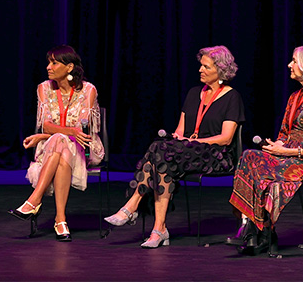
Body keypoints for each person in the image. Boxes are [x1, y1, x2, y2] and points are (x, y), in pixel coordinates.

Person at [104, 45, 245, 248]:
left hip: (216, 155)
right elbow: (180, 131)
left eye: (206, 66)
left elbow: (226, 138)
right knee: (161, 153)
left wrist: (195, 142)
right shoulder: (194, 93)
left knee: (160, 154)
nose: (200, 70)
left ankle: (133, 206)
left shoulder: (232, 97)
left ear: (220, 70)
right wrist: (178, 138)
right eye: (200, 66)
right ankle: (158, 228)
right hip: (186, 152)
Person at [225, 44, 303, 254]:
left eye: (294, 61)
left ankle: (261, 232)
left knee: (260, 171)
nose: (289, 65)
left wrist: (290, 152)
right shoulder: (295, 97)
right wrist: (278, 145)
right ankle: (249, 227)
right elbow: (285, 133)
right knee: (249, 156)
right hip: (288, 158)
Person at [8, 45, 104, 241]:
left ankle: (34, 200)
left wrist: (43, 137)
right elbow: (46, 125)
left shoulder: (88, 90)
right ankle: (60, 219)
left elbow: (81, 130)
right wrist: (49, 134)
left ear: (69, 67)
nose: (48, 67)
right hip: (54, 148)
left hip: (83, 148)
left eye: (54, 63)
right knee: (61, 148)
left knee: (61, 142)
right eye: (48, 62)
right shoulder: (44, 88)